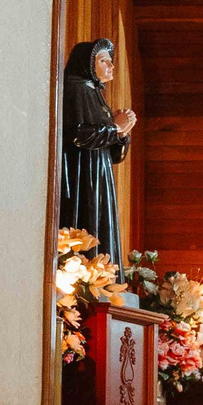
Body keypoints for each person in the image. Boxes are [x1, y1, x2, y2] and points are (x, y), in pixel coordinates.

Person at [59, 39, 138, 260]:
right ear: (87, 63)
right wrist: (114, 128)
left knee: (102, 227)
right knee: (88, 225)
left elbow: (113, 154)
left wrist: (122, 134)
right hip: (83, 176)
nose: (111, 67)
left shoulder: (94, 93)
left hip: (99, 175)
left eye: (111, 62)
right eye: (104, 61)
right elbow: (78, 134)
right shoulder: (76, 89)